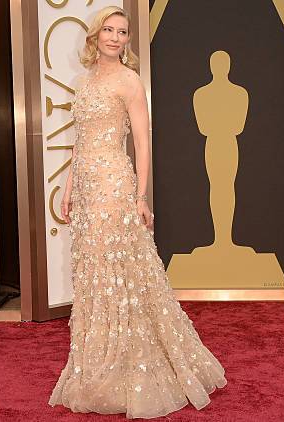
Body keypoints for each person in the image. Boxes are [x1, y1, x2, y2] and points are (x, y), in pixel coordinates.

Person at [47, 6, 227, 418]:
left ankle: (133, 365)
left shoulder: (130, 82)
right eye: (108, 30)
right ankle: (97, 366)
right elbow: (80, 140)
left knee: (120, 270)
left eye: (122, 32)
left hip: (114, 183)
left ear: (128, 40)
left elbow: (143, 143)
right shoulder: (84, 82)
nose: (114, 37)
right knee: (92, 272)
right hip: (89, 188)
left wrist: (140, 196)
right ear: (95, 36)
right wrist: (70, 186)